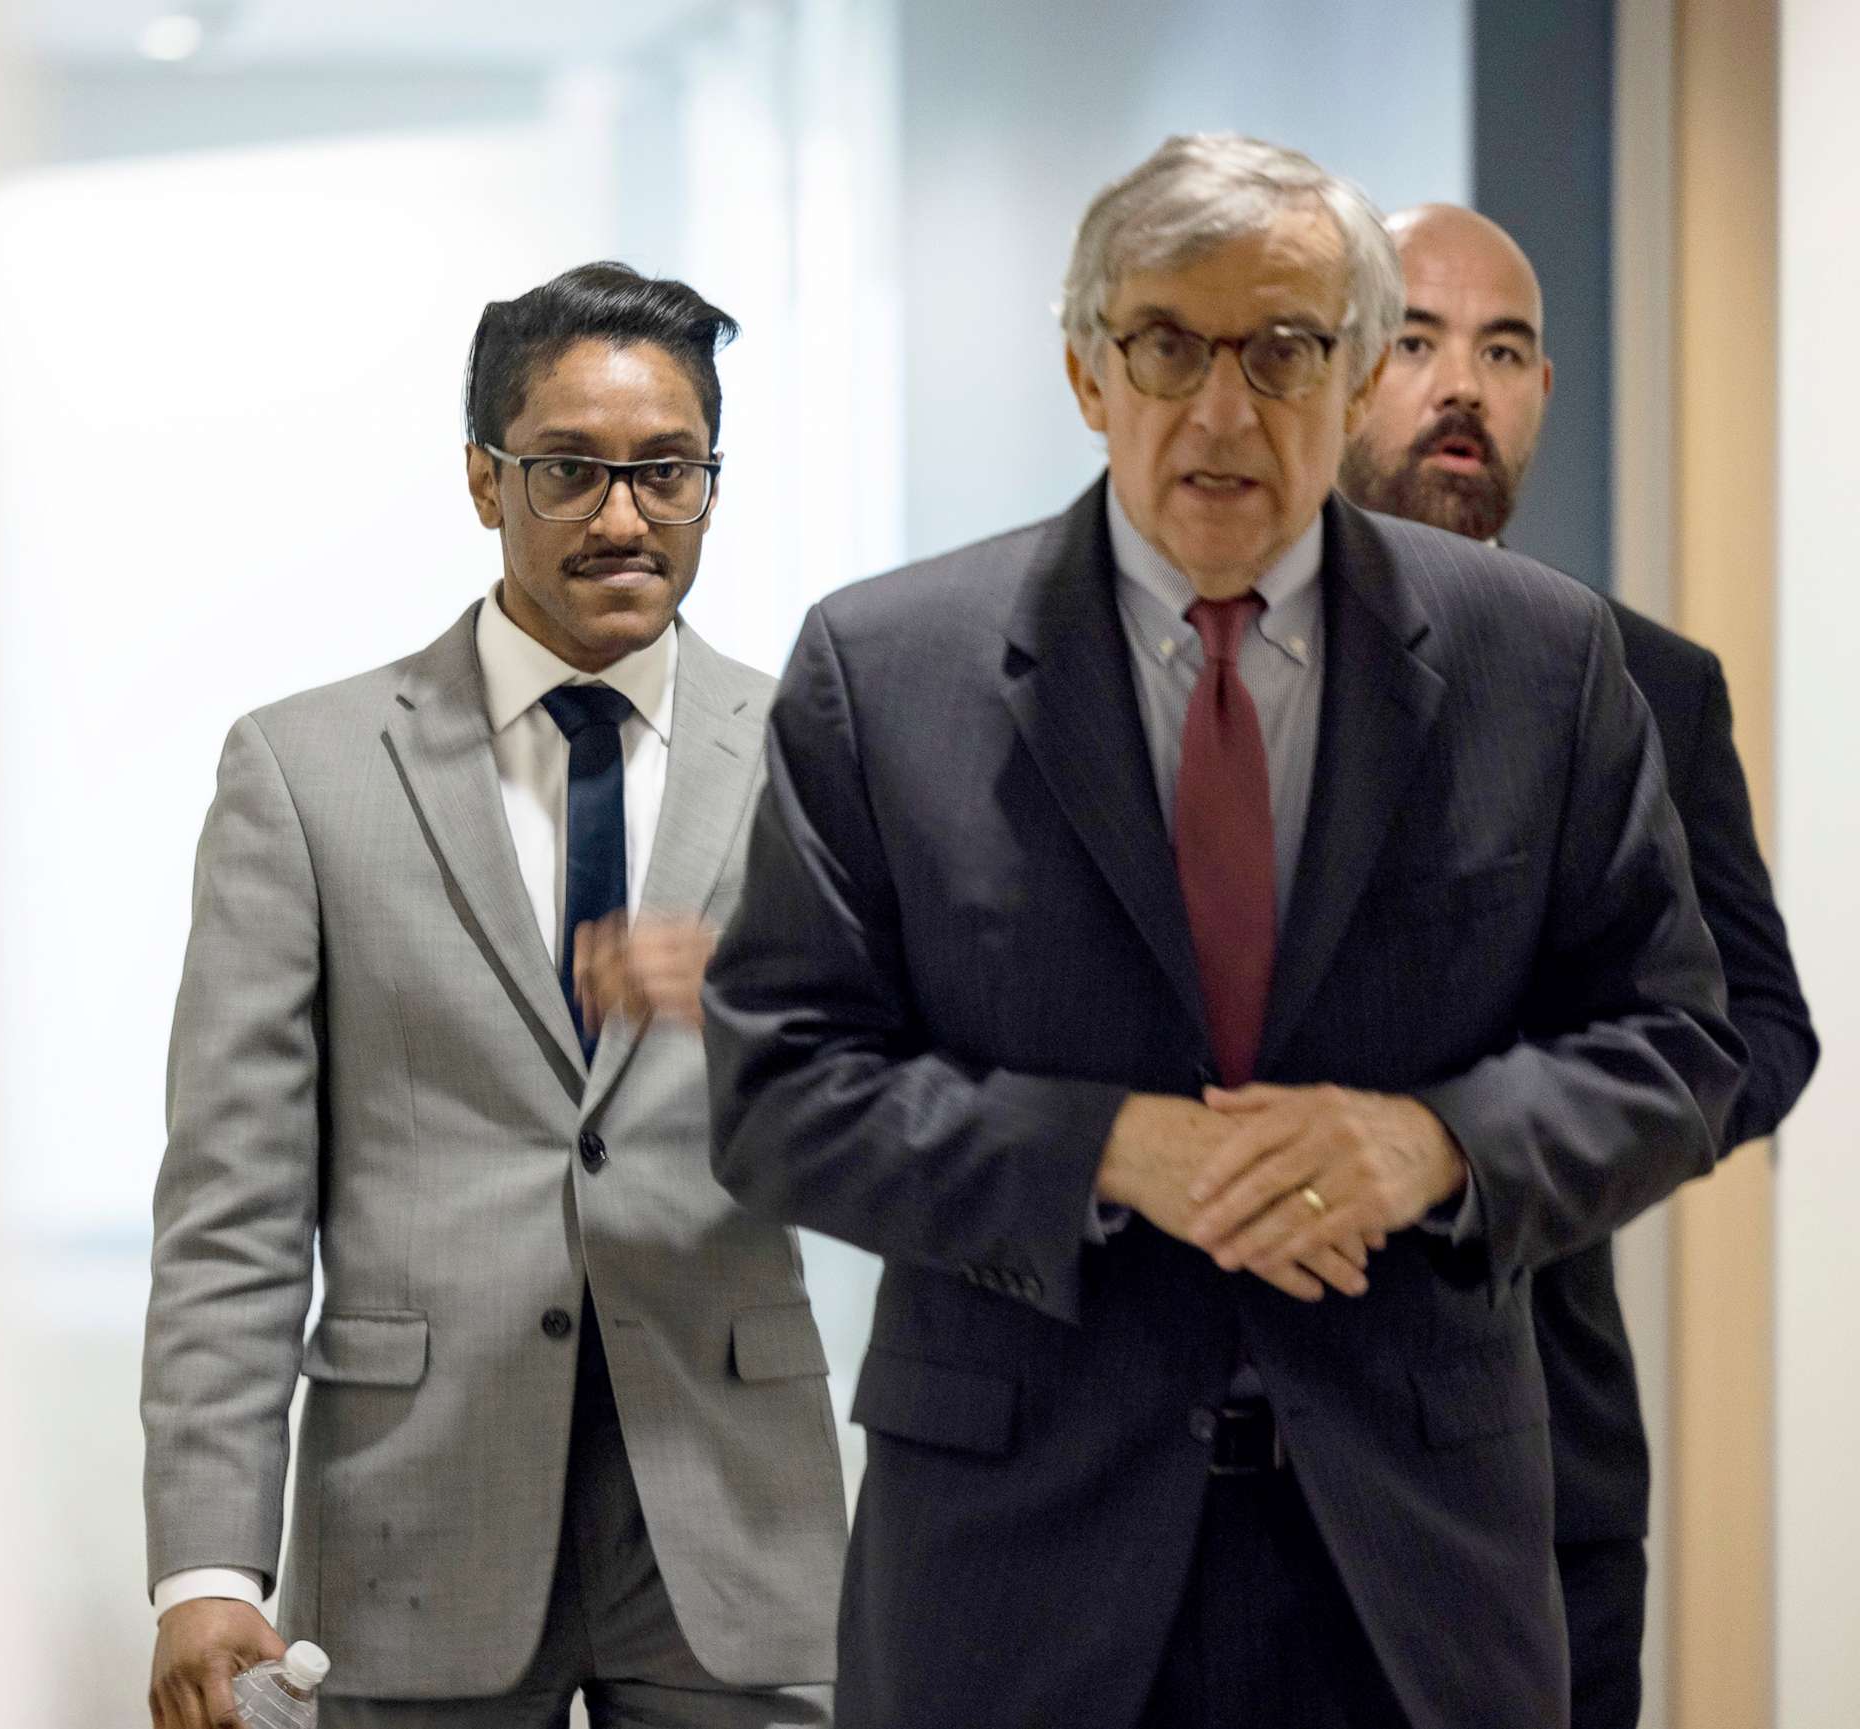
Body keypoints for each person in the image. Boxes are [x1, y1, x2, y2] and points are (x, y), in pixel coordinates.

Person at [702, 135, 1743, 1729]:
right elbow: (779, 1096)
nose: (1221, 408)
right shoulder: (883, 669)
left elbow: (1677, 1041)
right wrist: (1108, 1149)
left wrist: (1433, 1145)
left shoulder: (1542, 661)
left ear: (1355, 370)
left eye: (1283, 348)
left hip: (1414, 1563)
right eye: (1167, 344)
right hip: (1014, 1567)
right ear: (1084, 370)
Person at [141, 261, 843, 1729]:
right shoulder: (305, 771)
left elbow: (922, 1094)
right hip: (417, 1520)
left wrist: (769, 1001)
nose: (623, 515)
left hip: (734, 1508)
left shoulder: (817, 753)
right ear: (484, 479)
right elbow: (233, 1201)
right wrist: (207, 1561)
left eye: (666, 471)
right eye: (570, 472)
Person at [1341, 202, 1817, 1729]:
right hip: (1222, 1447)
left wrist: (1523, 1140)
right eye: (1413, 341)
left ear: (1547, 391)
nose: (1459, 386)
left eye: (1503, 350)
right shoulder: (1199, 655)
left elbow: (1756, 1030)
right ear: (1330, 367)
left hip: (1540, 1436)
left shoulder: (1648, 681)